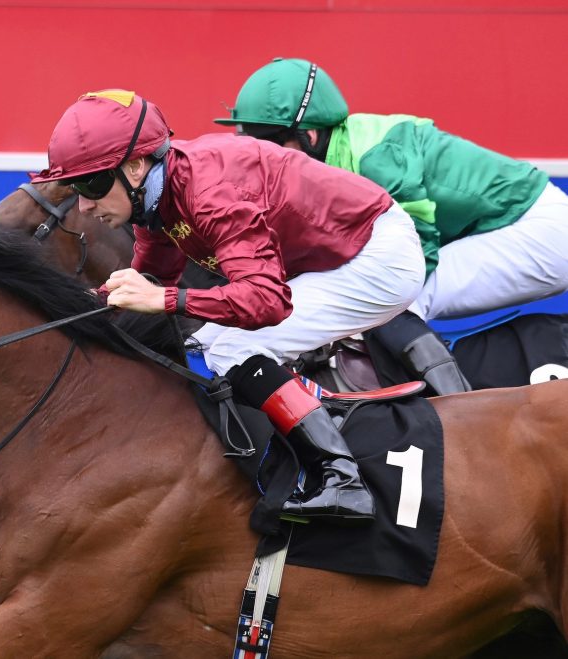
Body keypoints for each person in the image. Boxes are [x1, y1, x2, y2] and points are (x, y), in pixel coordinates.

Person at [32, 89, 427, 522]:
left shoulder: (209, 192)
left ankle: (343, 480)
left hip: (378, 258)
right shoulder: (155, 197)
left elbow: (266, 302)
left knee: (233, 346)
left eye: (92, 184)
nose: (84, 205)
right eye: (75, 188)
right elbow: (151, 280)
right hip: (340, 253)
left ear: (135, 166)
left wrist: (165, 299)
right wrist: (79, 307)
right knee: (208, 342)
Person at [215, 58, 568, 395]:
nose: (260, 157)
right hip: (503, 227)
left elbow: (413, 257)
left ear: (310, 136)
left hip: (539, 231)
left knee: (394, 295)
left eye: (268, 142)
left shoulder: (377, 157)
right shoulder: (329, 156)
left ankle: (460, 410)